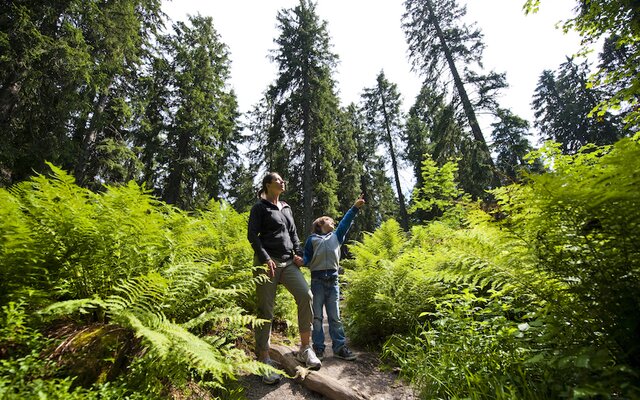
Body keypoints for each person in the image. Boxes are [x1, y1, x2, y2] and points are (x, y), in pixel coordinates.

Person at [247, 172, 322, 385]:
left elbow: (294, 234)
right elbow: (252, 236)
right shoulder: (260, 207)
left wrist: (299, 254)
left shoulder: (286, 207)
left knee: (305, 295)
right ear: (268, 184)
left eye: (282, 180)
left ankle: (305, 349)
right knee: (265, 311)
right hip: (267, 263)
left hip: (288, 263)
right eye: (278, 180)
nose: (283, 182)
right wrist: (265, 258)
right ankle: (264, 360)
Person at [303, 194, 365, 361]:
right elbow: (306, 258)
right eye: (329, 220)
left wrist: (355, 208)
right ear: (320, 224)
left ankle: (339, 347)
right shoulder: (312, 240)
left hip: (333, 281)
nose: (333, 223)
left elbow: (345, 222)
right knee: (317, 317)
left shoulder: (337, 236)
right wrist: (300, 261)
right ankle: (319, 349)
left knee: (335, 317)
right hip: (316, 282)